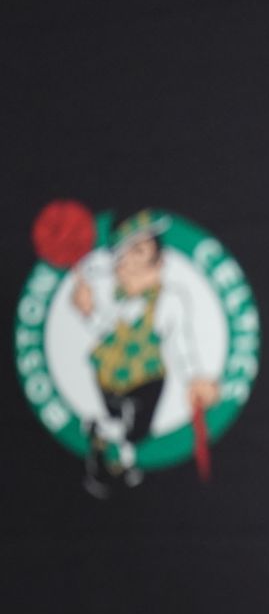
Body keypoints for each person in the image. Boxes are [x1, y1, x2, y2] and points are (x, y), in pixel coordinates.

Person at [70, 210, 219, 497]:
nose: (127, 262)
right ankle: (111, 452)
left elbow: (181, 341)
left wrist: (194, 377)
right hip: (107, 374)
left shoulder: (170, 299)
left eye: (139, 250)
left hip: (146, 377)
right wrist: (88, 311)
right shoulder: (116, 297)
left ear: (158, 261)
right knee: (121, 424)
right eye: (123, 255)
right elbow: (105, 329)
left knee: (137, 431)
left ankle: (109, 443)